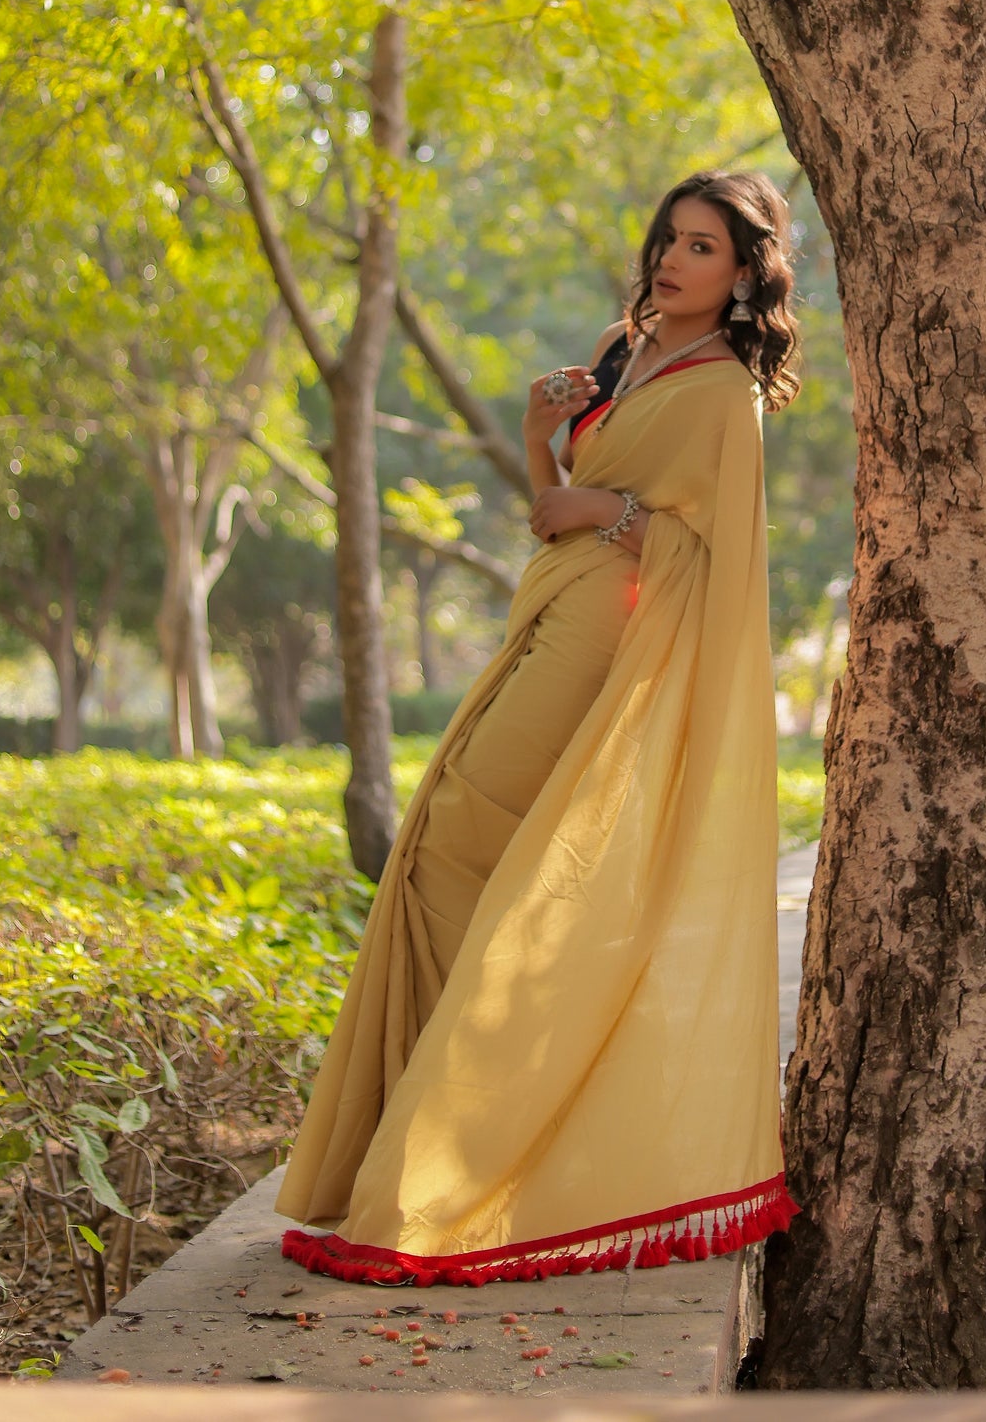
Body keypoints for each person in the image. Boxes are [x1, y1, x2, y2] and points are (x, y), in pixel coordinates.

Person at [276, 169, 802, 1288]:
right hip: (554, 609)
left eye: (702, 246)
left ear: (747, 271)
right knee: (438, 848)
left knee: (468, 836)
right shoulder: (627, 351)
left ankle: (485, 1136)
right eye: (669, 237)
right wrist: (537, 436)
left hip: (609, 638)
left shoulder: (722, 395)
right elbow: (555, 508)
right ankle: (408, 1144)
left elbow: (716, 559)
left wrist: (608, 511)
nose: (673, 258)